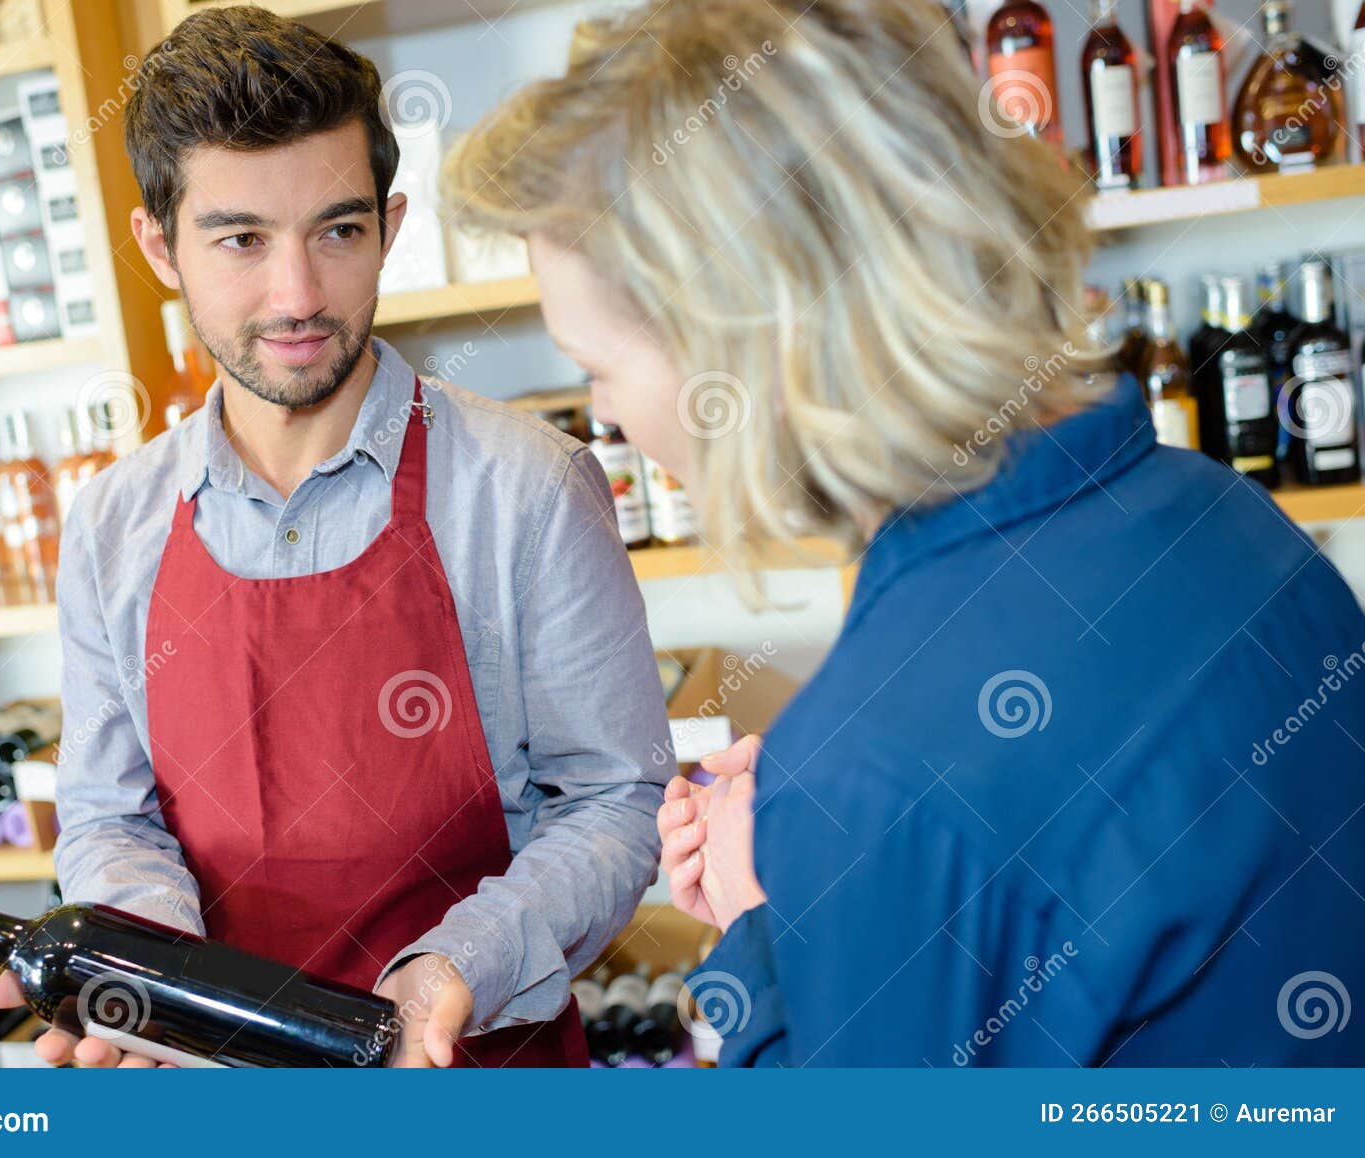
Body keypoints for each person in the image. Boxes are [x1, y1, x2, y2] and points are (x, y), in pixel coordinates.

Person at [442, 0, 1365, 1065]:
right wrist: (833, 869)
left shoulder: (876, 772)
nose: (603, 415)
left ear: (750, 345)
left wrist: (763, 936)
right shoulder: (1216, 508)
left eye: (598, 367)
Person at [0, 6, 671, 1068]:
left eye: (338, 231)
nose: (297, 295)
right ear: (159, 247)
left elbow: (614, 801)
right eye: (242, 240)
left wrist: (457, 970)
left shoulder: (530, 489)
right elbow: (108, 815)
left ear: (390, 227)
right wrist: (154, 973)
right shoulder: (115, 524)